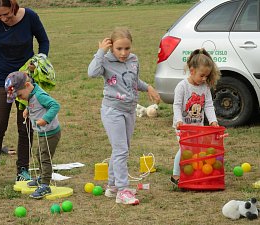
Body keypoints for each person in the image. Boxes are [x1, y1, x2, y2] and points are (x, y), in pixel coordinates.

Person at [0, 0, 49, 188]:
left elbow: (44, 41)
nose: (3, 18)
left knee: (25, 125)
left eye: (6, 14)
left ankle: (23, 170)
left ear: (13, 7)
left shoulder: (30, 17)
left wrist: (39, 62)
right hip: (0, 80)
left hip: (25, 81)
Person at [88, 27, 160, 205]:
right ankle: (122, 190)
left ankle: (112, 187)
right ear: (112, 47)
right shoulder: (104, 60)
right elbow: (91, 73)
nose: (123, 53)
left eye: (127, 48)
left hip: (129, 110)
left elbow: (134, 81)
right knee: (121, 150)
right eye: (119, 49)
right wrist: (100, 52)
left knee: (121, 149)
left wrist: (148, 87)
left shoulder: (134, 60)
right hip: (112, 111)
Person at [5, 71, 61, 199]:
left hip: (51, 133)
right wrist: (27, 110)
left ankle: (45, 185)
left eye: (19, 95)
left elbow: (55, 105)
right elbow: (35, 105)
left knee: (45, 157)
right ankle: (42, 177)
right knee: (39, 155)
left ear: (27, 85)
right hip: (43, 133)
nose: (19, 98)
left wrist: (45, 119)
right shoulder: (31, 94)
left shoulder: (40, 95)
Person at [170, 48, 221, 185]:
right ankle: (175, 175)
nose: (204, 79)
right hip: (183, 126)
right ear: (192, 71)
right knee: (185, 149)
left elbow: (209, 105)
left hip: (198, 126)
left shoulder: (205, 87)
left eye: (206, 76)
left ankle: (192, 173)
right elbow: (176, 105)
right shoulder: (182, 86)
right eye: (202, 75)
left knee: (196, 150)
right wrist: (179, 120)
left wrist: (213, 121)